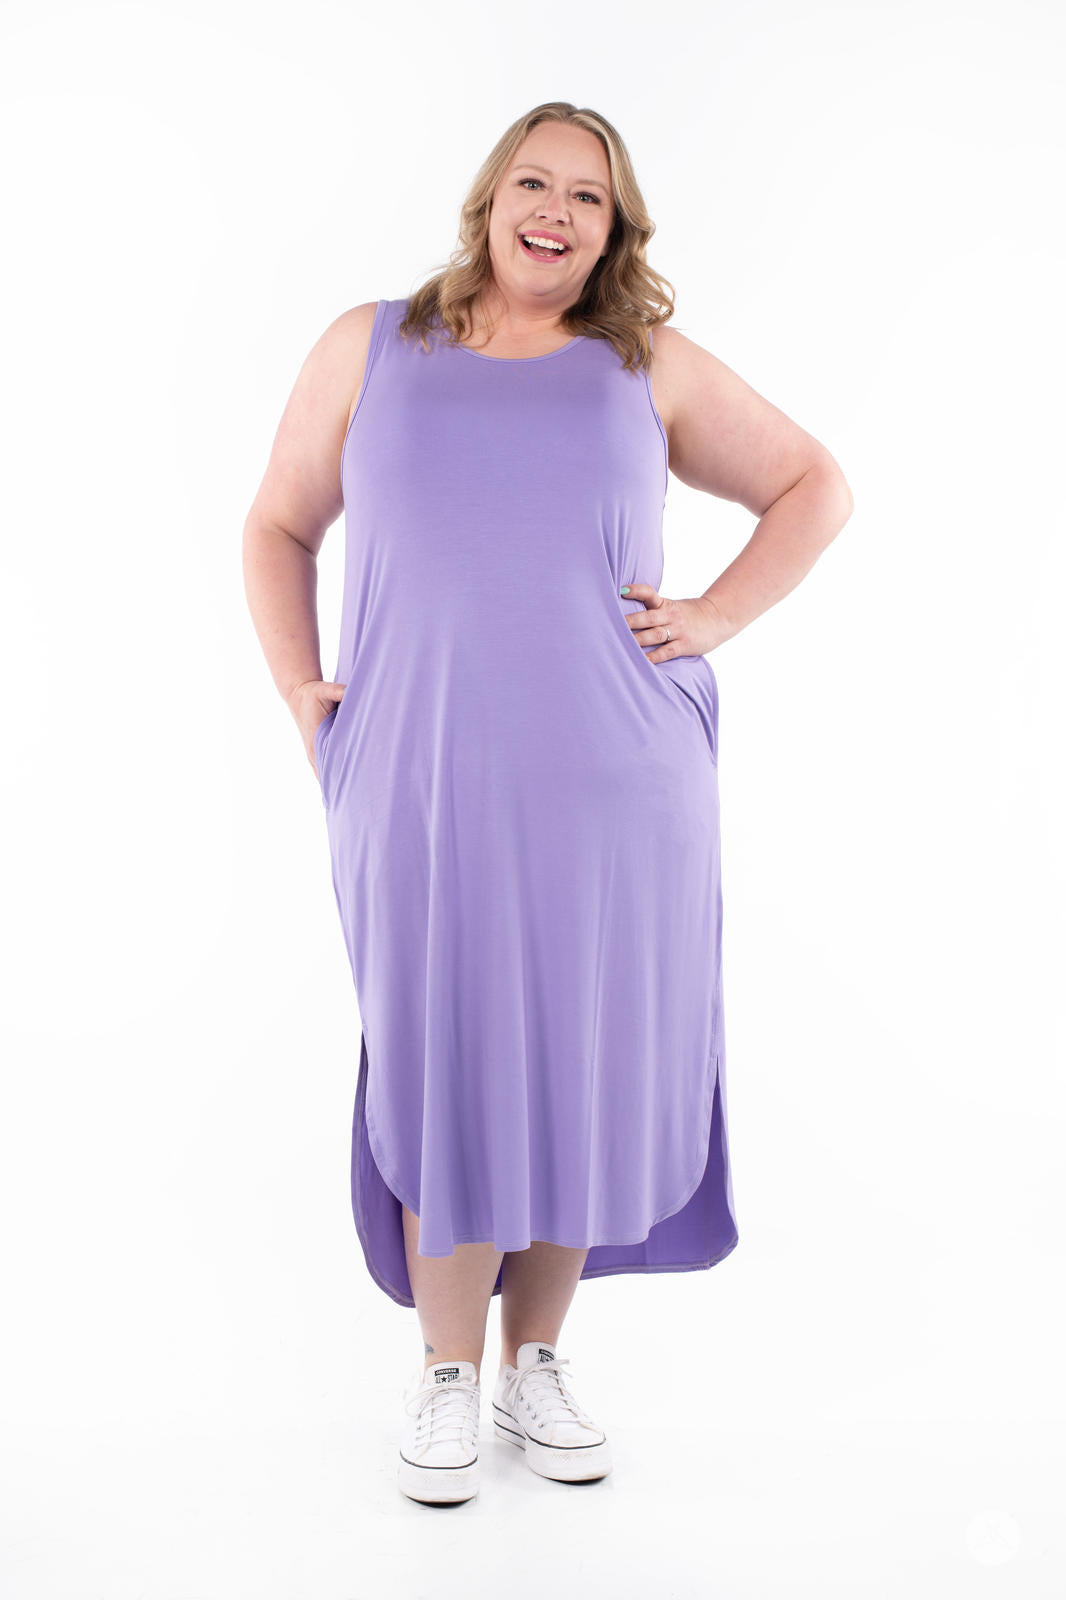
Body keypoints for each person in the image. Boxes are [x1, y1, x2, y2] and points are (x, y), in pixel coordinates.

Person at [242, 101, 853, 1505]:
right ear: (488, 198)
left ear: (613, 228)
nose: (556, 211)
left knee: (577, 1060)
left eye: (588, 195)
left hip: (616, 784)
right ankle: (445, 1375)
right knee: (442, 1051)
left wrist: (713, 616)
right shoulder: (369, 346)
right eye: (535, 181)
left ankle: (533, 1363)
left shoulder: (641, 365)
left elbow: (814, 485)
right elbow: (276, 523)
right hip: (415, 777)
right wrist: (299, 690)